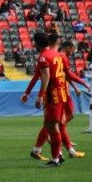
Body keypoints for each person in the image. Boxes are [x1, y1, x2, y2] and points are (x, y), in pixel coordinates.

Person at [20, 32, 69, 167]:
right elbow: (38, 76)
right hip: (60, 93)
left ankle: (55, 159)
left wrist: (40, 96)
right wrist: (27, 92)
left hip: (52, 95)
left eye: (34, 42)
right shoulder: (56, 54)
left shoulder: (44, 57)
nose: (33, 44)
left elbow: (45, 77)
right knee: (50, 125)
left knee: (52, 126)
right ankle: (58, 154)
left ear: (37, 42)